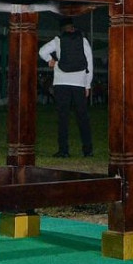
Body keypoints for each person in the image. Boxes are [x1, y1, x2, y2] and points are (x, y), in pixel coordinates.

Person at [39, 17, 94, 158]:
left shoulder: (58, 40)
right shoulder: (83, 40)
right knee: (82, 117)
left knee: (63, 118)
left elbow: (42, 51)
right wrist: (87, 84)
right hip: (79, 83)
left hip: (61, 82)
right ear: (73, 27)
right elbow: (89, 64)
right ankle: (87, 150)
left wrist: (51, 61)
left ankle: (63, 150)